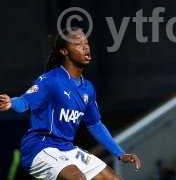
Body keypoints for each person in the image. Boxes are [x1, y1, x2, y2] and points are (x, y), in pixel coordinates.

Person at [0, 28, 141, 180]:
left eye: (86, 43)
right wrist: (10, 103)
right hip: (40, 147)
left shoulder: (88, 88)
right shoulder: (51, 80)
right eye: (78, 44)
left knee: (113, 178)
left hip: (66, 148)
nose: (85, 47)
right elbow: (25, 101)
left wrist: (120, 153)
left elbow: (95, 125)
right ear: (64, 51)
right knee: (77, 178)